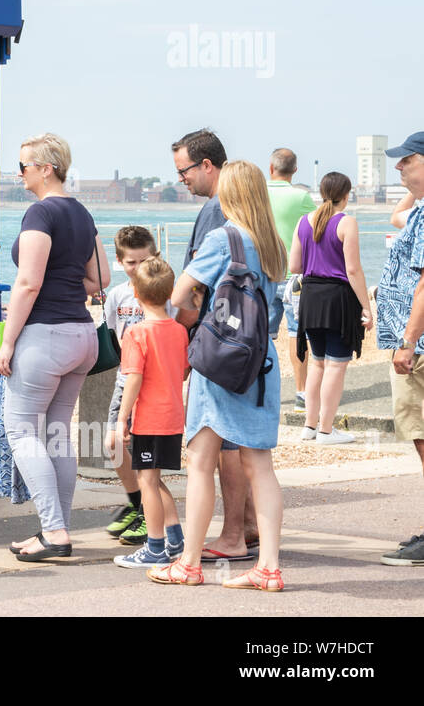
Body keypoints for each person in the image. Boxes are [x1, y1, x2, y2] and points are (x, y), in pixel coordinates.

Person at [149, 160, 287, 590]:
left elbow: (176, 294)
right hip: (260, 363)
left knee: (200, 462)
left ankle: (188, 563)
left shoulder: (223, 237)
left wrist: (199, 312)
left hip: (221, 362)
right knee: (259, 464)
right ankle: (268, 566)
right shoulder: (271, 243)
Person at [0, 133, 108, 561]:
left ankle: (54, 530)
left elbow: (28, 282)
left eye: (23, 166)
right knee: (58, 433)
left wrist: (7, 343)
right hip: (82, 336)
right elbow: (101, 280)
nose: (19, 173)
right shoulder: (83, 213)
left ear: (46, 168)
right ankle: (56, 528)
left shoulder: (40, 213)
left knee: (22, 431)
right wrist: (66, 279)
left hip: (45, 337)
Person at [170, 128, 257, 562]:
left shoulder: (214, 214)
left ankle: (228, 536)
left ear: (207, 165)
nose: (181, 179)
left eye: (184, 170)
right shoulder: (253, 222)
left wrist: (185, 336)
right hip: (251, 347)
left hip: (217, 344)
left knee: (216, 446)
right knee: (244, 444)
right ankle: (248, 528)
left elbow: (189, 291)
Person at [103, 226, 177, 545]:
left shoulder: (164, 297)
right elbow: (110, 334)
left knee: (147, 462)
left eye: (143, 260)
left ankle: (151, 519)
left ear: (155, 257)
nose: (137, 268)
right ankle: (138, 506)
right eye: (130, 262)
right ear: (119, 261)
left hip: (147, 385)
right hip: (125, 379)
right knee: (114, 445)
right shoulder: (118, 296)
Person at [114, 257, 189, 568]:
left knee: (147, 482)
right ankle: (174, 538)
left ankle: (155, 547)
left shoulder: (136, 333)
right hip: (173, 416)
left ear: (135, 291)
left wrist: (121, 418)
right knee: (154, 480)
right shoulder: (180, 331)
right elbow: (183, 371)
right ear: (171, 292)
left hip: (150, 418)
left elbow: (134, 378)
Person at [289, 172, 373, 444]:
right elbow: (353, 269)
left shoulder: (304, 222)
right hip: (337, 299)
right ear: (346, 195)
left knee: (317, 363)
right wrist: (366, 306)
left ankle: (309, 427)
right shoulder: (347, 222)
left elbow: (294, 267)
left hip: (311, 298)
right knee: (336, 366)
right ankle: (326, 430)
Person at [376, 133, 424, 566]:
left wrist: (407, 342)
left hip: (419, 348)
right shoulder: (420, 211)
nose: (398, 168)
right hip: (415, 345)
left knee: (423, 435)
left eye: (406, 160)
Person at [267, 148, 316, 407]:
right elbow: (319, 226)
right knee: (298, 334)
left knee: (262, 335)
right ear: (295, 170)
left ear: (270, 168)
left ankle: (261, 389)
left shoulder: (259, 194)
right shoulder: (301, 197)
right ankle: (301, 392)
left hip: (264, 273)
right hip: (295, 276)